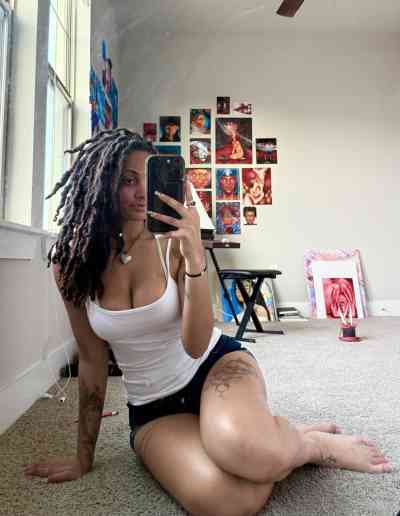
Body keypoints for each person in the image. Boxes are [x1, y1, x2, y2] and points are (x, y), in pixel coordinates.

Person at [24, 129, 393, 516]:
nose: (141, 193)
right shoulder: (73, 261)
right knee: (229, 500)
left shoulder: (173, 242)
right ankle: (274, 439)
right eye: (127, 180)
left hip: (214, 368)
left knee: (251, 453)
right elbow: (91, 359)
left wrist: (194, 256)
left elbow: (196, 345)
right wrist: (82, 457)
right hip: (153, 407)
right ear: (101, 184)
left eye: (148, 179)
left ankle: (310, 446)